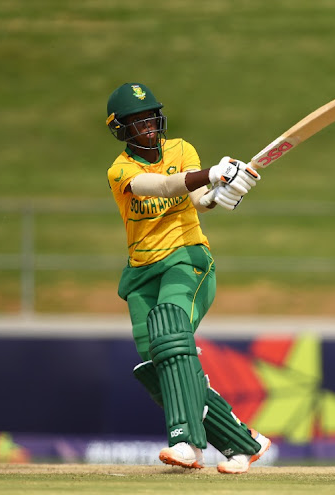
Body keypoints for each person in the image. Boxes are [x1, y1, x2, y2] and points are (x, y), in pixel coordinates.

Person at [105, 82, 270, 474]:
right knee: (159, 367)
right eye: (136, 122)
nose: (146, 126)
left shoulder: (181, 150)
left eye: (150, 117)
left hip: (187, 259)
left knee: (170, 332)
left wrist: (221, 194)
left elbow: (200, 201)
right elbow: (161, 185)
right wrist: (213, 173)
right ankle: (243, 443)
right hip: (141, 272)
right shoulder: (121, 170)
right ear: (120, 129)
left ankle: (186, 443)